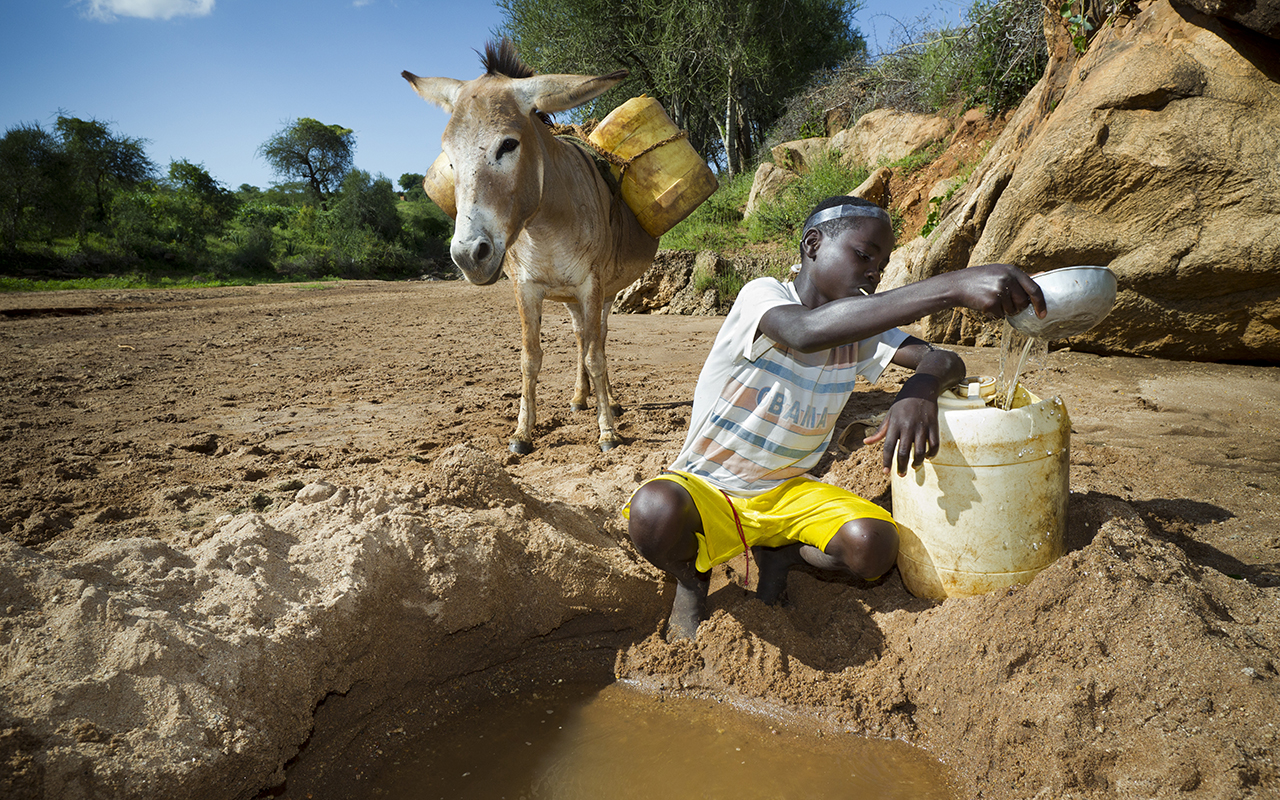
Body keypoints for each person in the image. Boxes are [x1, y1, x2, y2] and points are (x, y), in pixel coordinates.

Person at [623, 195, 1046, 641]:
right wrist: (953, 286)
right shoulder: (763, 297)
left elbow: (944, 360)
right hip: (708, 488)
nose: (872, 273)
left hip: (787, 492)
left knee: (873, 545)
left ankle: (781, 553)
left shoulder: (860, 330)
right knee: (655, 511)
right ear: (812, 244)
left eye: (880, 267)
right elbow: (804, 333)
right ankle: (691, 580)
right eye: (864, 255)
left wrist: (917, 393)